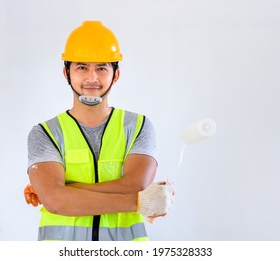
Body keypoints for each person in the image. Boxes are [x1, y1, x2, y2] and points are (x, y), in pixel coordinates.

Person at [24, 21, 174, 241]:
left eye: (101, 68)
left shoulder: (139, 126)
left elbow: (136, 184)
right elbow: (56, 202)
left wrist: (65, 189)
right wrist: (139, 202)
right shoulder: (45, 133)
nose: (92, 78)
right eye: (82, 67)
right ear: (67, 72)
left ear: (116, 75)